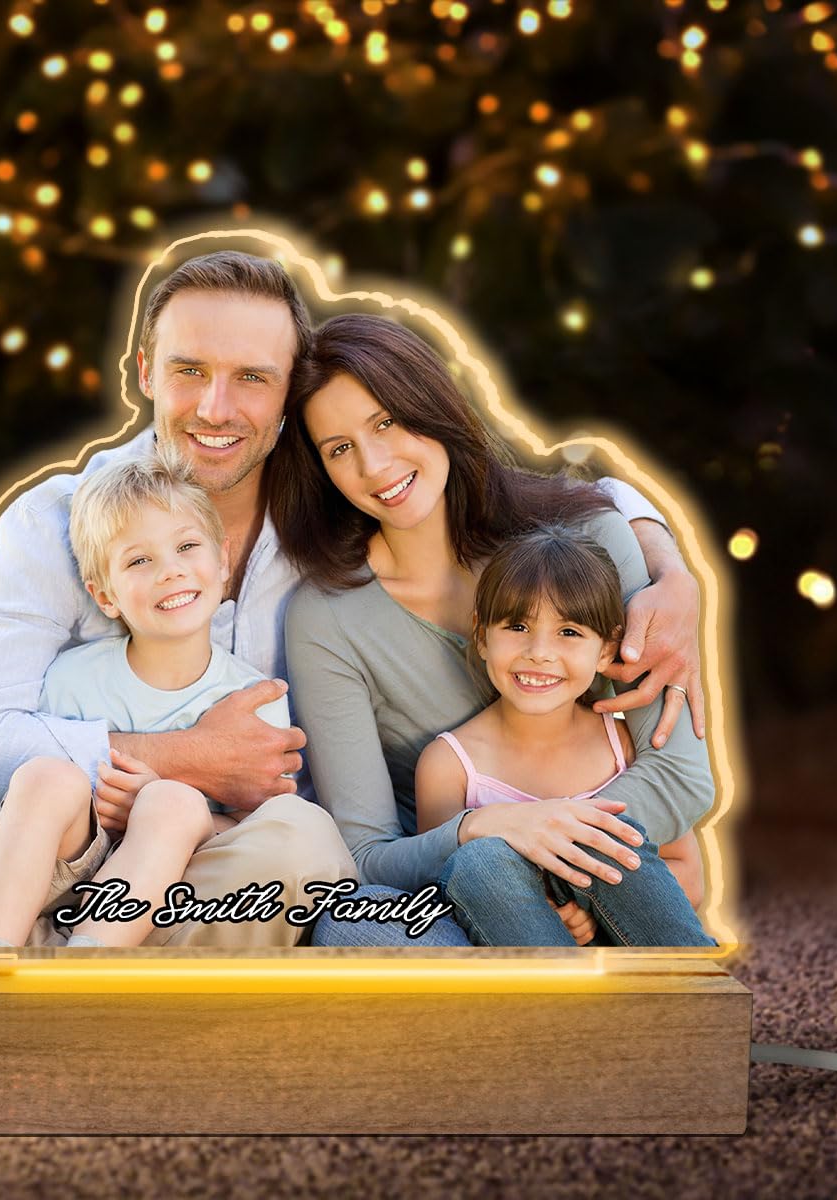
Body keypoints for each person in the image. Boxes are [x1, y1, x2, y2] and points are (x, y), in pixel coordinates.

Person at [0, 248, 704, 949]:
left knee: (310, 862)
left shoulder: (330, 505)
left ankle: (74, 965)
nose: (215, 408)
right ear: (144, 372)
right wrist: (182, 758)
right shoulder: (58, 522)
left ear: (286, 399)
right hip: (85, 842)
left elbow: (550, 474)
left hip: (259, 864)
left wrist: (669, 564)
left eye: (251, 379)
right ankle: (34, 963)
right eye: (189, 372)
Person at [277, 313, 716, 947]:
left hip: (604, 881)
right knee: (354, 926)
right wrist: (486, 832)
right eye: (339, 448)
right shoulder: (327, 617)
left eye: (386, 422)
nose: (374, 465)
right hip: (445, 899)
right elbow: (367, 854)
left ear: (430, 405)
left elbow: (679, 775)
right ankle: (537, 1035)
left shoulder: (591, 539)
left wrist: (548, 867)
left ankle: (656, 1025)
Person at [0, 451, 323, 948]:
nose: (170, 572)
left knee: (171, 800)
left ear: (221, 561)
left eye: (187, 546)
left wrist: (158, 806)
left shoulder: (252, 698)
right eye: (139, 560)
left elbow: (250, 829)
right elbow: (39, 809)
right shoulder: (73, 677)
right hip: (74, 863)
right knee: (46, 772)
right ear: (104, 594)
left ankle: (88, 965)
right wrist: (103, 800)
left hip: (172, 885)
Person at [414, 524, 711, 946]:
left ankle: (695, 1005)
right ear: (481, 636)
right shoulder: (449, 767)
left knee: (599, 838)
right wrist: (547, 914)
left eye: (569, 632)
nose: (539, 652)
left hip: (637, 959)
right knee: (480, 861)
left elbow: (688, 876)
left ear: (607, 649)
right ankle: (566, 1010)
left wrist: (591, 913)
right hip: (527, 962)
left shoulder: (624, 747)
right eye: (516, 626)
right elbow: (437, 897)